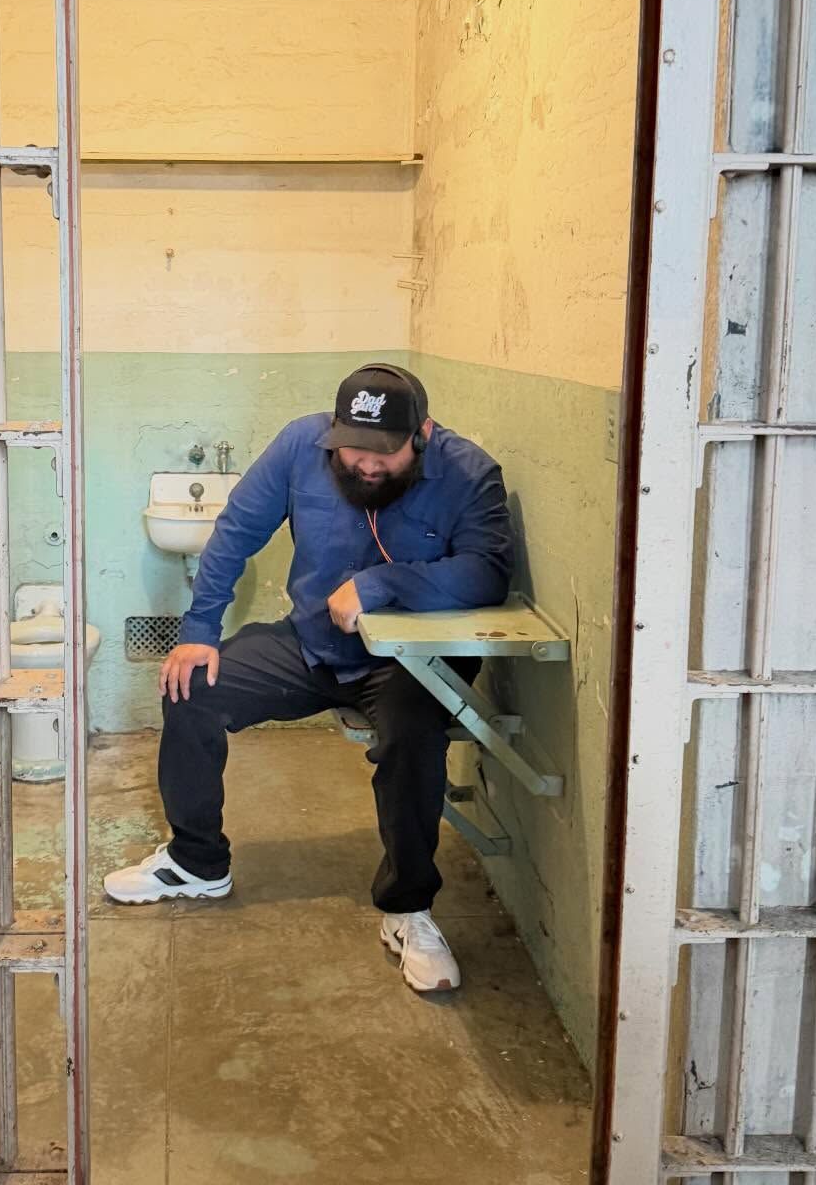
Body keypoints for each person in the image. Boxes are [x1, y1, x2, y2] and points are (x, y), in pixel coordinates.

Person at [104, 363, 513, 992]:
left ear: (422, 434)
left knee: (413, 737)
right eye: (354, 449)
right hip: (313, 645)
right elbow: (236, 531)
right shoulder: (302, 444)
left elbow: (488, 572)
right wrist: (198, 631)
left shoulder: (468, 472)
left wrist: (380, 585)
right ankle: (197, 861)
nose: (367, 466)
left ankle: (408, 909)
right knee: (192, 688)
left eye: (386, 453)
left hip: (410, 661)